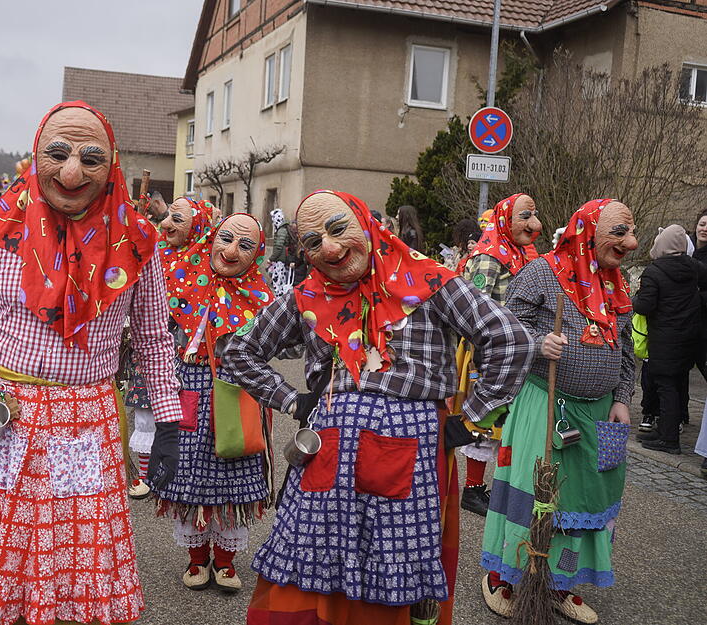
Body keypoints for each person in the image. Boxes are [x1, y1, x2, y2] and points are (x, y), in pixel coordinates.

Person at [0, 101, 181, 625]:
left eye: (91, 158)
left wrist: (167, 423)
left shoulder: (139, 244)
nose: (72, 172)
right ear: (36, 155)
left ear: (112, 165)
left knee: (75, 556)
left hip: (85, 421)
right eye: (57, 153)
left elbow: (152, 341)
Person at [224, 190, 535, 625]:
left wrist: (473, 420)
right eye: (313, 242)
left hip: (411, 453)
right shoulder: (306, 296)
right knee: (312, 559)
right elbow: (239, 352)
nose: (329, 248)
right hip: (326, 455)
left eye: (337, 229)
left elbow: (511, 340)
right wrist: (292, 399)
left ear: (365, 223)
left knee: (394, 569)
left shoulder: (431, 281)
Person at [481, 199, 638, 624]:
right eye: (620, 232)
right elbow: (503, 326)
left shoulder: (617, 285)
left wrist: (622, 397)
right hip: (545, 403)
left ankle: (562, 583)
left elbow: (626, 352)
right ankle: (506, 577)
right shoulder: (542, 272)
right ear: (587, 231)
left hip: (601, 413)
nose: (632, 242)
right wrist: (536, 343)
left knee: (585, 499)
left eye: (631, 231)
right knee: (535, 496)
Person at [154, 212, 273, 593]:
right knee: (188, 476)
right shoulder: (179, 277)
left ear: (257, 255)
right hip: (187, 384)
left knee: (233, 476)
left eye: (245, 245)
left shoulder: (261, 297)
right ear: (212, 238)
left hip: (235, 391)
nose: (232, 250)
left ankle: (224, 562)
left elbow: (281, 342)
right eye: (226, 239)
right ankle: (196, 559)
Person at [456, 194, 542, 517]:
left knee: (506, 424)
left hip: (514, 349)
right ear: (507, 220)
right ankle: (473, 489)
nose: (533, 223)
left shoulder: (521, 253)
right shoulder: (490, 255)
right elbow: (473, 304)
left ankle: (501, 488)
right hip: (490, 349)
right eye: (525, 216)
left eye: (534, 215)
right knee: (485, 418)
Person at [123, 195, 213, 500]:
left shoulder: (207, 264)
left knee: (180, 424)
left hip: (185, 359)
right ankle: (147, 479)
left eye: (177, 219)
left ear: (197, 225)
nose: (165, 224)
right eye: (168, 217)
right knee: (145, 415)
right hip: (149, 353)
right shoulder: (155, 253)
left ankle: (167, 475)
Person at [634, 225, 707, 455]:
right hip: (689, 337)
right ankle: (667, 430)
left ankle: (669, 439)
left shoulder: (653, 272)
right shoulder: (694, 266)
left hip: (664, 338)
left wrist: (633, 299)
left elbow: (645, 306)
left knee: (665, 386)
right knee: (676, 385)